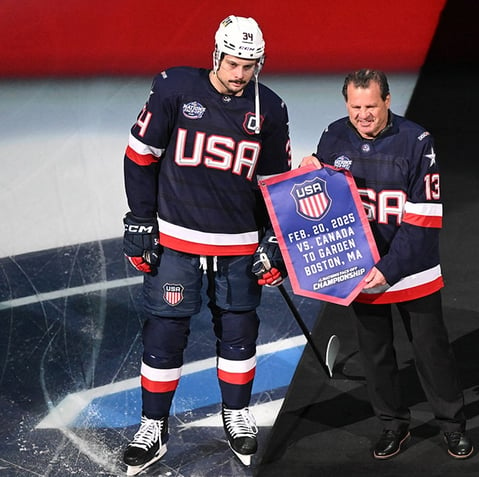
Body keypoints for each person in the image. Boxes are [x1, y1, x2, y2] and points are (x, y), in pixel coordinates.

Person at [120, 15, 291, 475]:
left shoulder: (270, 109)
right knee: (165, 333)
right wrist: (140, 219)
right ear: (216, 55)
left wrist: (273, 240)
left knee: (239, 334)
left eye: (249, 65)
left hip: (237, 244)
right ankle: (152, 426)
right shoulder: (175, 89)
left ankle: (235, 413)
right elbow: (140, 156)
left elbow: (275, 183)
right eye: (234, 63)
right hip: (178, 239)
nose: (240, 74)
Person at [299, 69, 474, 460]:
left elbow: (423, 220)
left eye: (371, 107)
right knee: (374, 352)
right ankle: (393, 424)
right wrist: (308, 175)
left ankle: (451, 425)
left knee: (431, 350)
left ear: (388, 101)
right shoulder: (333, 135)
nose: (363, 115)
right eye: (355, 107)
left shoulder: (418, 141)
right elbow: (321, 204)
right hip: (360, 268)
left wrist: (390, 269)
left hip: (413, 269)